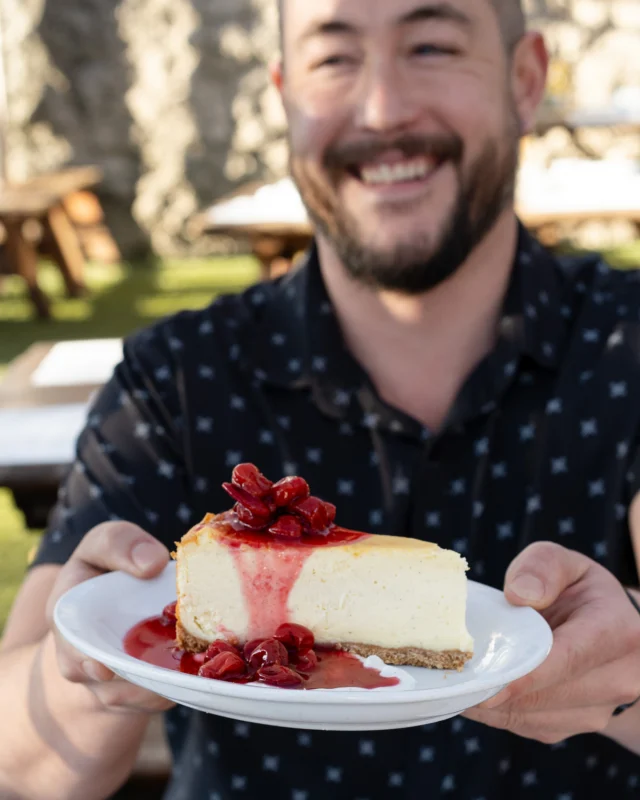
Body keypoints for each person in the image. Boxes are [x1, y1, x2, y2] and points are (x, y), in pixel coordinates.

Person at [2, 0, 640, 797]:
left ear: (524, 79)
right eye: (334, 58)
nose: (382, 110)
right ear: (284, 96)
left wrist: (632, 684)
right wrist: (88, 658)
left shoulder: (629, 348)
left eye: (432, 45)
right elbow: (19, 768)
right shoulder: (175, 379)